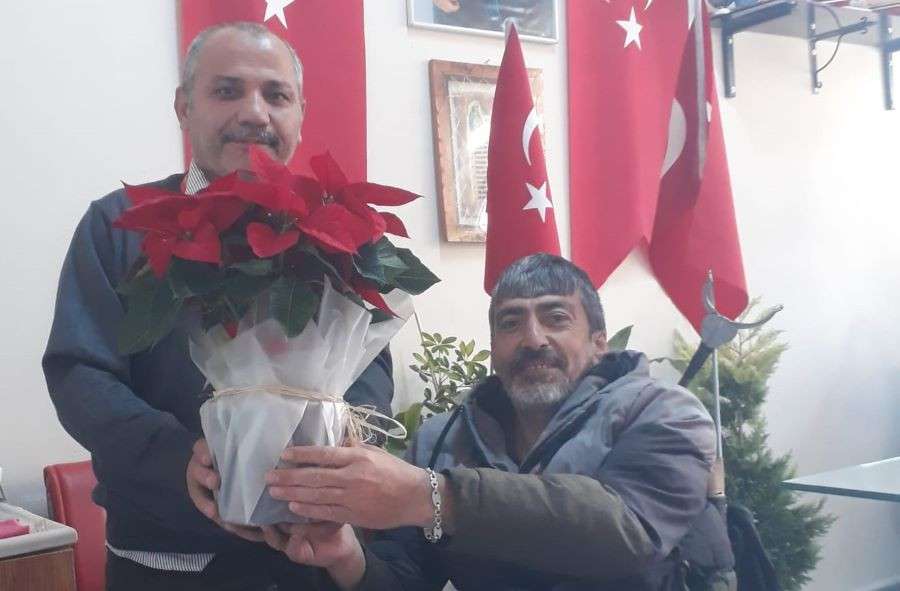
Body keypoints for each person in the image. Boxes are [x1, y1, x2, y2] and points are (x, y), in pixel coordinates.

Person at [42, 21, 393, 591]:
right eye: (227, 91)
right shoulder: (119, 227)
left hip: (314, 559)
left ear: (300, 114)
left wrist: (347, 439)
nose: (255, 112)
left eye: (276, 95)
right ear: (184, 108)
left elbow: (369, 363)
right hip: (167, 564)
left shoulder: (337, 232)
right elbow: (80, 373)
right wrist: (178, 460)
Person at [246, 253, 735, 590]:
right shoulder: (441, 438)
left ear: (599, 342)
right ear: (494, 347)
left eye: (556, 318)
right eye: (510, 322)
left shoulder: (666, 413)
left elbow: (626, 530)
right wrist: (346, 556)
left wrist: (433, 497)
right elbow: (406, 578)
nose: (533, 338)